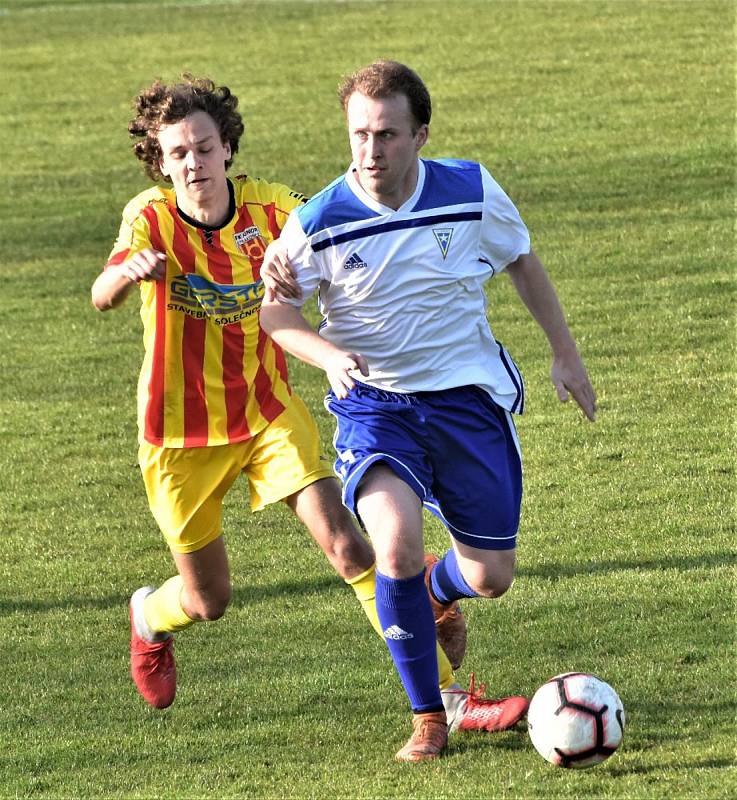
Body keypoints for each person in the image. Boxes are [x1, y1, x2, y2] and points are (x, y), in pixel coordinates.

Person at [90, 75, 513, 735]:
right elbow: (101, 294)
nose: (192, 164)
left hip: (267, 415)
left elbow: (338, 222)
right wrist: (127, 272)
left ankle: (449, 703)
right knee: (209, 600)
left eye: (203, 147)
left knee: (349, 548)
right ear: (159, 160)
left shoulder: (276, 211)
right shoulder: (149, 217)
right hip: (177, 435)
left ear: (226, 147)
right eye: (176, 154)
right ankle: (149, 617)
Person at [259, 60, 597, 762]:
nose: (369, 151)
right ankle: (428, 717)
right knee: (394, 546)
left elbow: (522, 263)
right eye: (358, 135)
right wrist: (328, 358)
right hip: (374, 406)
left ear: (419, 135)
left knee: (490, 577)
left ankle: (436, 595)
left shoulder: (469, 190)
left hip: (466, 401)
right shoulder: (319, 219)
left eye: (385, 134)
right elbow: (276, 311)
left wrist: (564, 354)